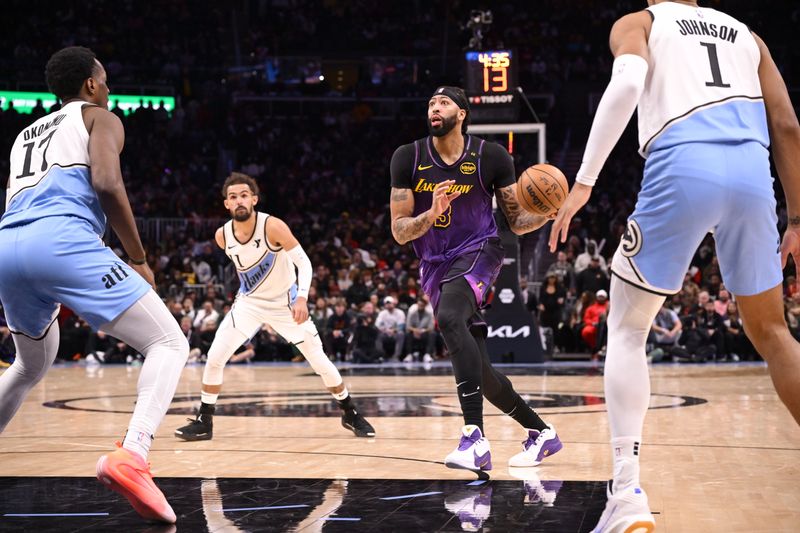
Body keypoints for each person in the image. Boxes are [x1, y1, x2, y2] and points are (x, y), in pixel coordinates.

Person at [549, 2, 800, 530]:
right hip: (754, 176)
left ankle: (627, 495)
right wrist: (796, 218)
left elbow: (625, 87)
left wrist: (585, 182)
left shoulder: (640, 23)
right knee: (775, 332)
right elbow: (787, 125)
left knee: (626, 327)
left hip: (683, 164)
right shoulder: (748, 34)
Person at [0, 47, 189, 523]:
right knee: (168, 342)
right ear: (90, 84)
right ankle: (134, 455)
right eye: (104, 81)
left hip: (8, 245)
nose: (108, 89)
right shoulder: (100, 118)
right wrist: (139, 257)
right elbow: (107, 183)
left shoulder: (24, 134)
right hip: (62, 239)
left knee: (30, 363)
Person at [389, 86, 562, 475]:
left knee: (450, 318)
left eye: (444, 102)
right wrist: (431, 213)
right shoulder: (408, 157)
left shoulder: (491, 156)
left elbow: (516, 221)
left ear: (462, 113)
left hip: (481, 252)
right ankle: (541, 432)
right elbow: (400, 231)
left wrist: (547, 213)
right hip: (434, 264)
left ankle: (474, 439)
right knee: (480, 373)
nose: (434, 107)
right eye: (431, 102)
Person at [175, 173, 374, 441]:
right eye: (233, 197)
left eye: (244, 195)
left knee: (319, 361)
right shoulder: (222, 236)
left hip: (286, 304)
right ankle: (204, 421)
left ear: (254, 199)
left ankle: (349, 412)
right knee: (214, 357)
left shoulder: (273, 226)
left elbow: (304, 263)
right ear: (226, 204)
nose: (239, 200)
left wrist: (302, 296)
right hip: (249, 304)